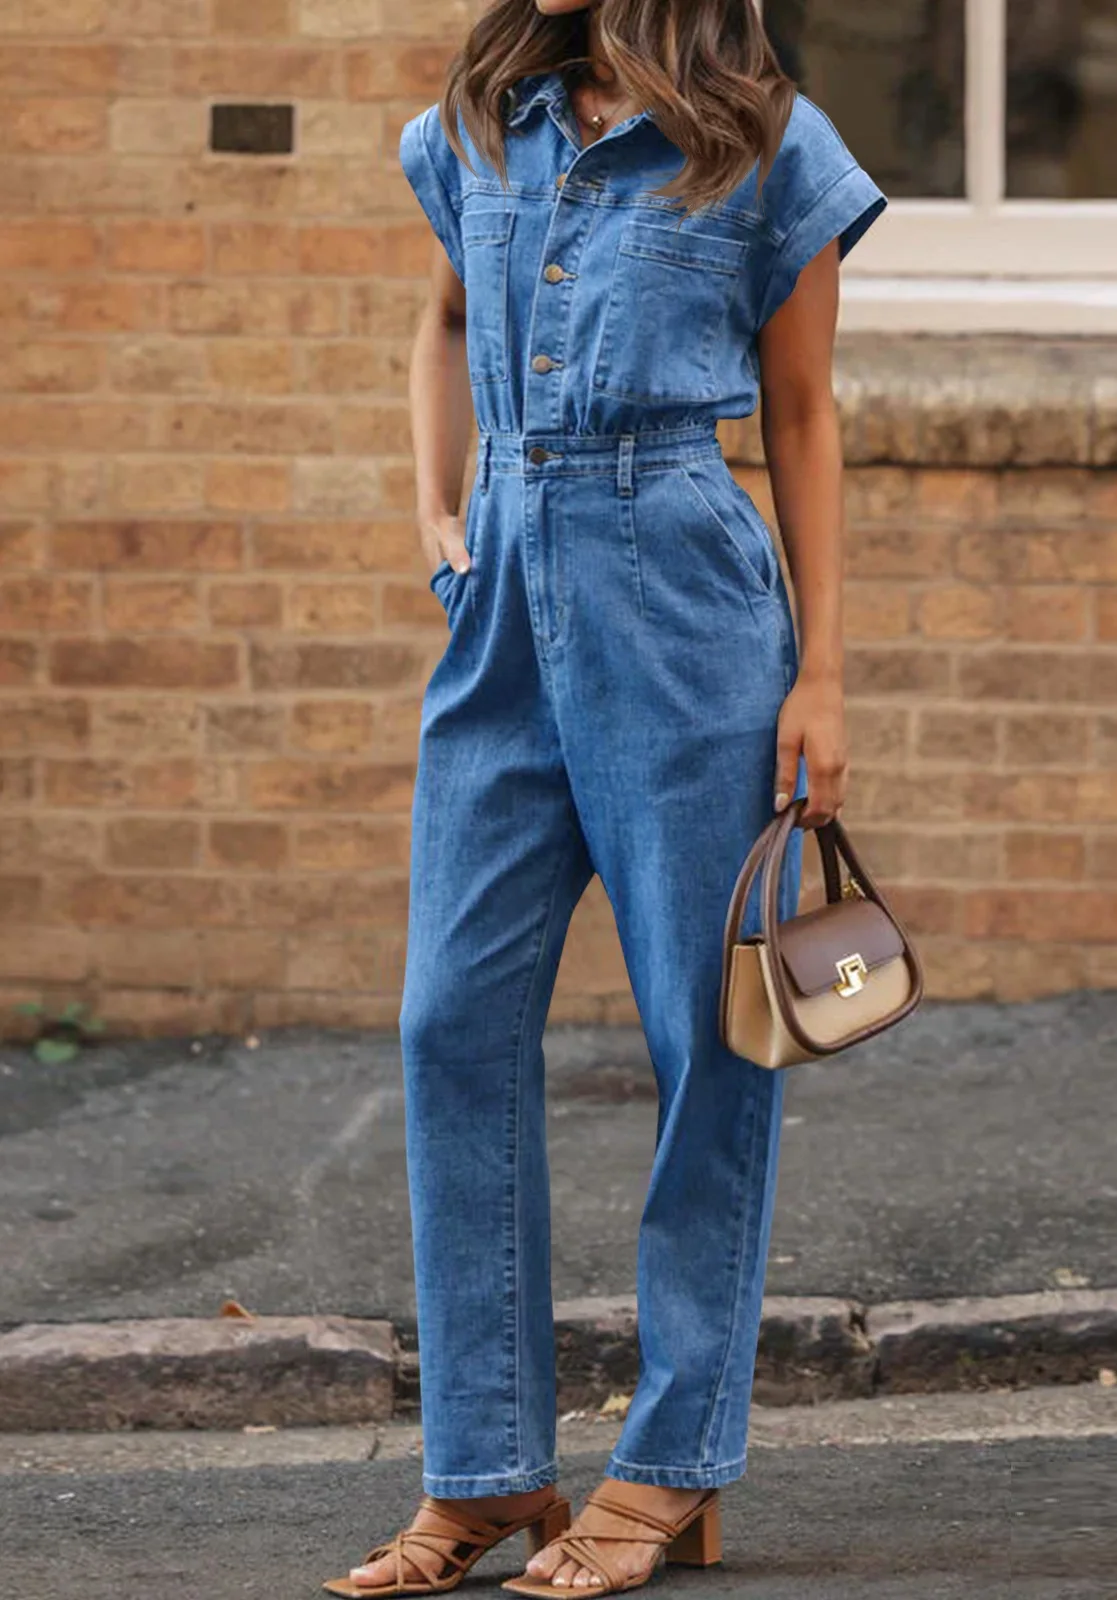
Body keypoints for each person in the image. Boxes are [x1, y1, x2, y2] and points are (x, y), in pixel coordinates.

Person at [322, 0, 885, 1594]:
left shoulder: (767, 145)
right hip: (505, 594)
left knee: (704, 1039)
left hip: (684, 590)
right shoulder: (478, 126)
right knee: (449, 1019)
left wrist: (823, 676)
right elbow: (443, 320)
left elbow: (800, 414)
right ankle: (489, 1473)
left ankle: (674, 1460)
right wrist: (439, 508)